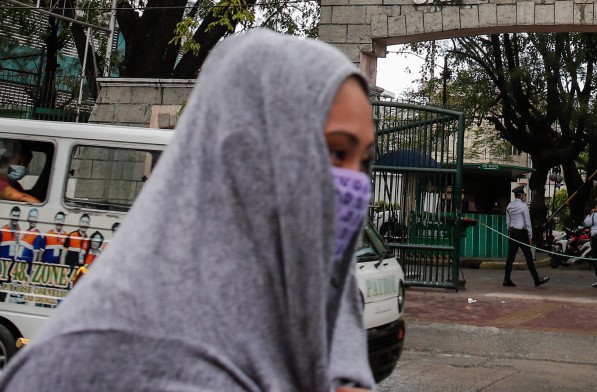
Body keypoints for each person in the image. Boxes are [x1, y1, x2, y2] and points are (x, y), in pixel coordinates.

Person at [0, 29, 377, 392]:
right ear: (246, 157)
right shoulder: (92, 364)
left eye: (364, 162)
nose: (355, 185)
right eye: (335, 152)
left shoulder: (315, 298)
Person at [503, 185, 549, 288]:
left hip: (513, 233)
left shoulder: (509, 206)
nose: (524, 196)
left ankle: (506, 279)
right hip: (522, 234)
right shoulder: (523, 206)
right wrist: (530, 235)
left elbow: (508, 221)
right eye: (523, 194)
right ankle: (536, 280)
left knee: (510, 258)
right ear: (520, 195)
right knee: (528, 257)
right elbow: (527, 223)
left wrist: (510, 229)